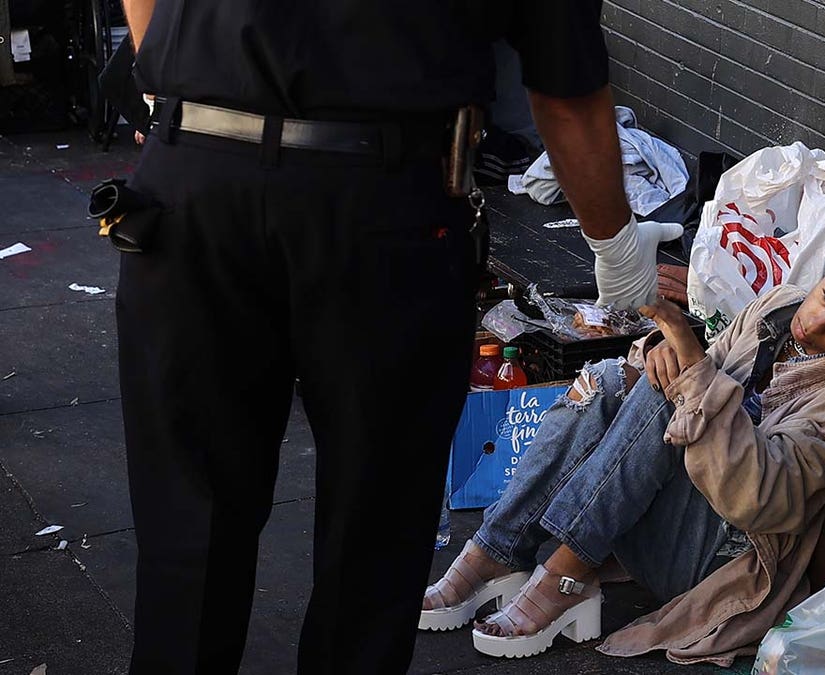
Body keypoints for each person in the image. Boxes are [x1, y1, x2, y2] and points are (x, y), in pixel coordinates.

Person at [112, 2, 683, 673]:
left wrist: (189, 102)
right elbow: (565, 89)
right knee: (374, 522)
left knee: (191, 521)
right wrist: (616, 248)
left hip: (195, 174)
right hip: (378, 199)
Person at [420, 226, 825, 663]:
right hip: (657, 506)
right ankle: (496, 551)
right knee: (610, 379)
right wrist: (656, 347)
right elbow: (699, 362)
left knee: (675, 392)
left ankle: (565, 575)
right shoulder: (780, 307)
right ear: (824, 275)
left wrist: (687, 365)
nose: (816, 323)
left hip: (715, 557)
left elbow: (759, 502)